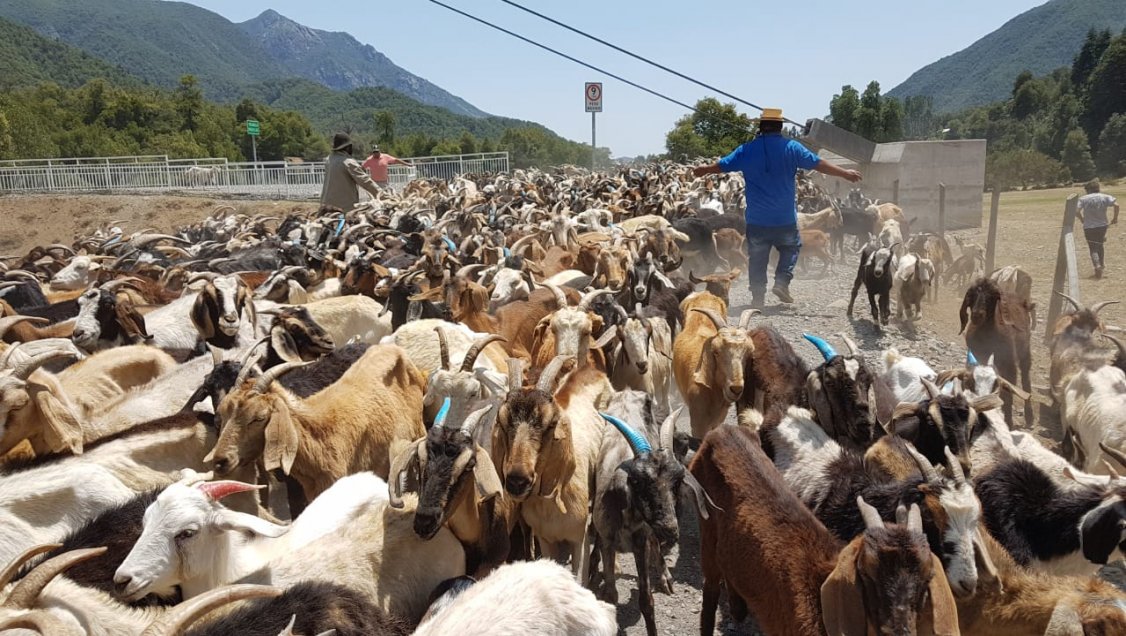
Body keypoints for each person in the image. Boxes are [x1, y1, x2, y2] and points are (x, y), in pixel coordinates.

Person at [692, 108, 861, 309]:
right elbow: (818, 163)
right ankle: (781, 281)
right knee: (791, 247)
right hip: (785, 219)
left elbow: (722, 165)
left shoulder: (746, 150)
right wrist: (845, 173)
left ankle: (757, 298)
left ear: (761, 127)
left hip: (757, 220)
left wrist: (704, 170)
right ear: (780, 127)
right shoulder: (792, 147)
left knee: (757, 258)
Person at [320, 132, 384, 211]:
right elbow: (365, 181)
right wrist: (384, 195)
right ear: (347, 147)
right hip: (342, 207)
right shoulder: (348, 162)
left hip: (325, 205)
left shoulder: (329, 159)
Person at [1077, 179, 1119, 279]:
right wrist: (1115, 218)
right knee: (1100, 245)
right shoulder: (1104, 196)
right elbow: (1116, 205)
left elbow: (1076, 211)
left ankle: (1097, 266)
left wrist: (1082, 219)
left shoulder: (1083, 199)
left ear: (1088, 190)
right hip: (1102, 226)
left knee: (1093, 248)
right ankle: (1102, 264)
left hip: (1089, 226)